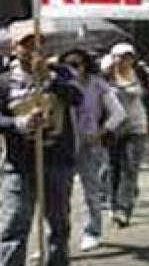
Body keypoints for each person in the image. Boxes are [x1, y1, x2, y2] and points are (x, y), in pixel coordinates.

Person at [0, 24, 83, 266]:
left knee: (58, 223)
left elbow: (77, 98)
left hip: (57, 160)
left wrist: (49, 77)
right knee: (15, 221)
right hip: (20, 163)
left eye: (38, 43)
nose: (33, 49)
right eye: (26, 44)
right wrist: (17, 122)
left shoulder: (62, 73)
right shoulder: (4, 81)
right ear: (15, 48)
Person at [60, 48, 126, 252]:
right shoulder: (57, 85)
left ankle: (93, 231)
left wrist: (99, 133)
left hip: (89, 145)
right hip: (62, 146)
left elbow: (118, 113)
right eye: (68, 64)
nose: (73, 69)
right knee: (60, 196)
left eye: (77, 64)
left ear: (86, 65)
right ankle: (57, 238)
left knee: (91, 192)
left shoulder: (97, 84)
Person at [107, 43, 149, 228]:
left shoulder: (141, 75)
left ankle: (123, 209)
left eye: (127, 56)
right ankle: (114, 204)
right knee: (112, 170)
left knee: (130, 168)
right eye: (119, 56)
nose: (123, 60)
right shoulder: (105, 76)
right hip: (112, 129)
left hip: (136, 127)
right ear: (112, 57)